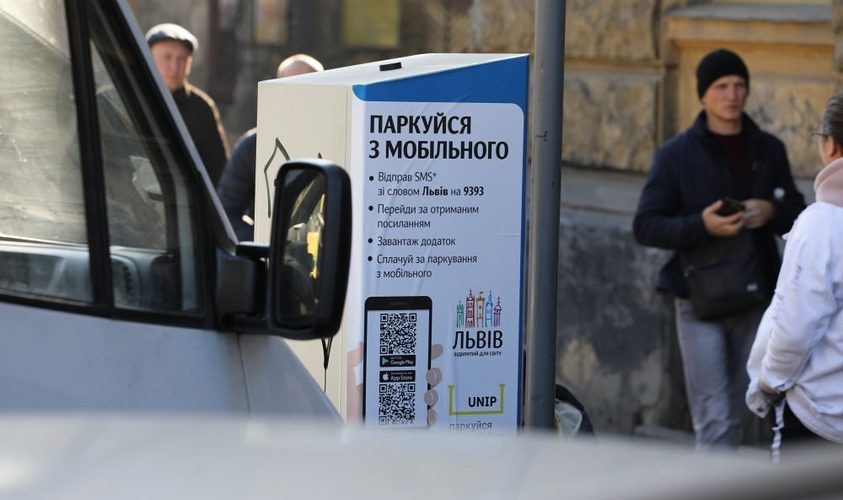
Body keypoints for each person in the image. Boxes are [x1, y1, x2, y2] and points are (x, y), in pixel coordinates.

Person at [633, 48, 806, 449]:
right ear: (702, 95)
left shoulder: (768, 148)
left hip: (758, 296)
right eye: (721, 86)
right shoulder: (675, 154)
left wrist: (771, 211)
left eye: (739, 85)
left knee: (759, 407)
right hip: (699, 299)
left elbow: (798, 214)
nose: (732, 94)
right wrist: (702, 225)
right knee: (713, 416)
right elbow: (646, 225)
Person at [746, 91, 843, 457]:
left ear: (830, 144)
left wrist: (769, 383)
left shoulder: (821, 223)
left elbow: (796, 326)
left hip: (821, 415)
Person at [217, 54, 323, 241]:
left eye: (308, 87)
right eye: (290, 88)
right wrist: (269, 244)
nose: (298, 97)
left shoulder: (339, 140)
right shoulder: (253, 146)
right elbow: (225, 215)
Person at [146, 23, 229, 185]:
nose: (174, 67)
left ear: (189, 64)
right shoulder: (128, 97)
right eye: (167, 57)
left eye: (181, 59)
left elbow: (219, 171)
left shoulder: (202, 108)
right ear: (148, 58)